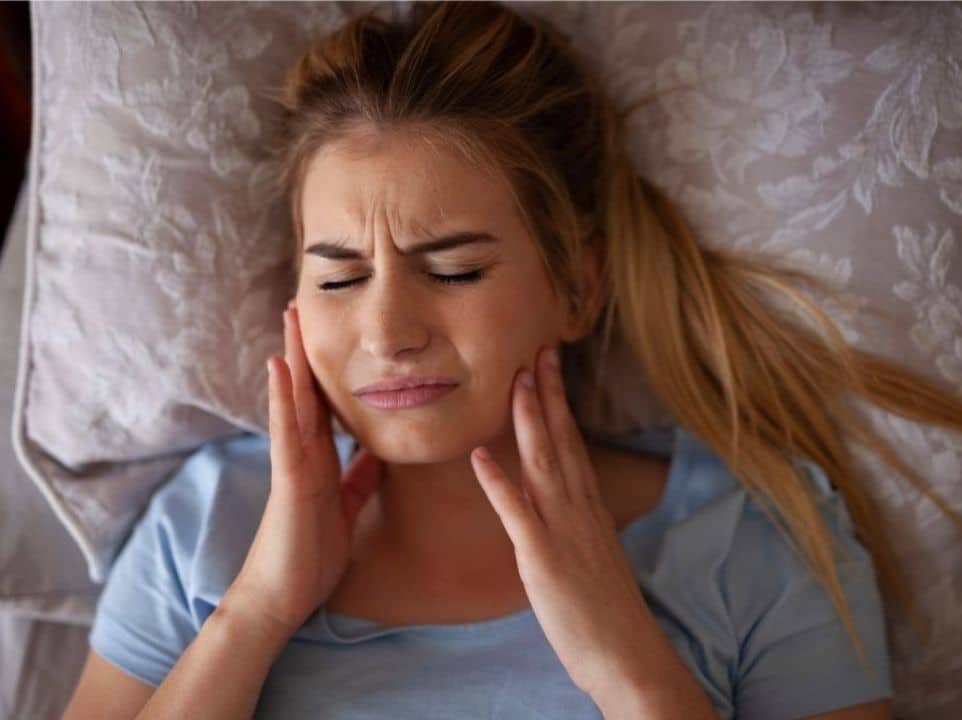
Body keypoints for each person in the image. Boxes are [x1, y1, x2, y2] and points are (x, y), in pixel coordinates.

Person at [63, 3, 962, 719]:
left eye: (454, 269)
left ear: (578, 284)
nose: (387, 332)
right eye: (339, 280)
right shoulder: (203, 527)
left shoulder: (756, 543)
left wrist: (630, 670)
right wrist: (256, 613)